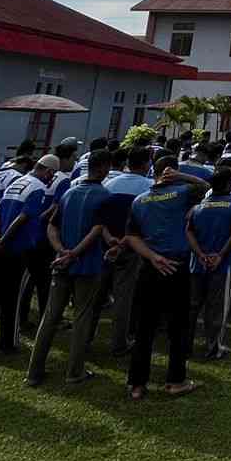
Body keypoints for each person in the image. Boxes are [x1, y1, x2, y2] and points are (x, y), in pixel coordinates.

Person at [26, 148, 115, 386]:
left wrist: (61, 250)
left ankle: (34, 371)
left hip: (61, 262)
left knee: (50, 317)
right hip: (86, 263)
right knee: (82, 316)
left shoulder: (69, 193)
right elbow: (97, 228)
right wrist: (74, 253)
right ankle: (75, 371)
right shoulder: (105, 196)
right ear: (104, 168)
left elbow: (52, 227)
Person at [125, 154, 204, 398]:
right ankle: (175, 380)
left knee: (144, 327)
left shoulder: (140, 201)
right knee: (178, 326)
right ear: (172, 172)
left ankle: (137, 384)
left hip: (150, 266)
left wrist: (152, 257)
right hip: (176, 266)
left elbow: (131, 236)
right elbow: (206, 187)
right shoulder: (181, 194)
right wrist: (181, 176)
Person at [0, 153, 57, 354]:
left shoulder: (16, 182)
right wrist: (3, 241)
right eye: (52, 174)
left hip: (0, 247)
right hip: (18, 248)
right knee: (11, 298)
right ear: (48, 171)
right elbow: (24, 217)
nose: (52, 179)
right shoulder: (38, 187)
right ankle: (8, 343)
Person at [188, 168, 231, 360]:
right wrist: (220, 255)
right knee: (217, 307)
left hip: (198, 263)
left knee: (193, 305)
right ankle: (214, 347)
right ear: (230, 184)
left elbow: (188, 231)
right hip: (222, 264)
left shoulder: (198, 207)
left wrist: (200, 254)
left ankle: (185, 344)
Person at [100, 147, 153, 355]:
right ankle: (119, 342)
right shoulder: (148, 187)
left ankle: (86, 338)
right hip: (132, 247)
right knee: (124, 297)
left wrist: (110, 240)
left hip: (107, 244)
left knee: (98, 295)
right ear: (145, 164)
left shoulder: (108, 184)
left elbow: (100, 218)